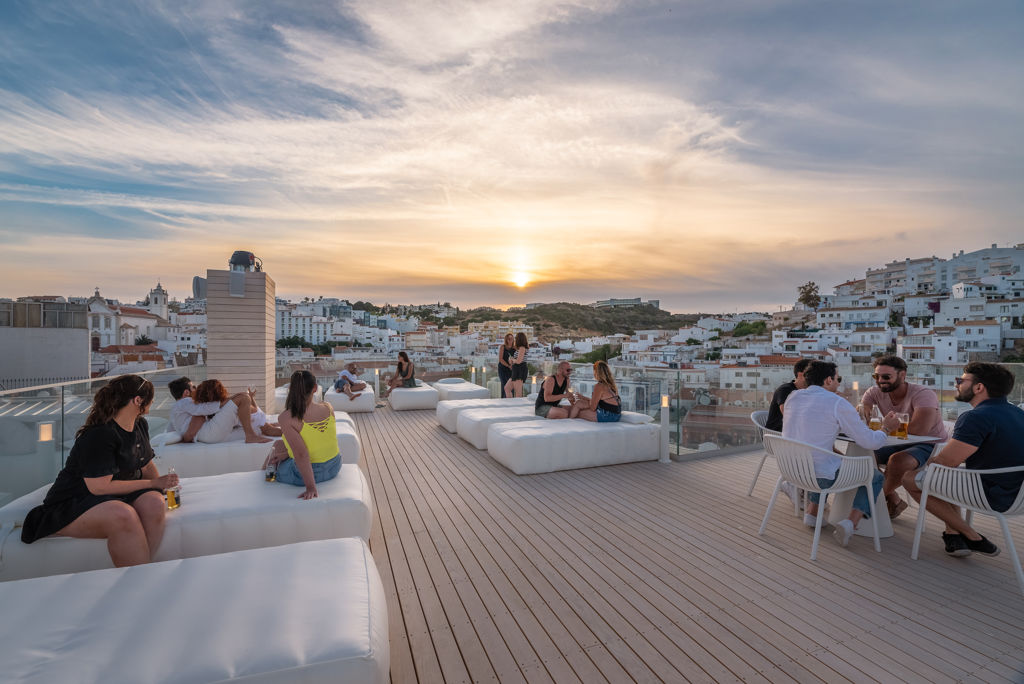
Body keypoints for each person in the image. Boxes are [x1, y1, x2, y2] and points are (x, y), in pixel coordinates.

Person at [20, 375, 179, 566]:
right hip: (76, 499)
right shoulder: (100, 435)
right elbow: (99, 487)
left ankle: (142, 567)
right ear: (138, 401)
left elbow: (145, 465)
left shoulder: (139, 425)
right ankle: (139, 579)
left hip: (115, 495)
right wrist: (153, 483)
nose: (151, 404)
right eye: (150, 400)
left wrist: (163, 487)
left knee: (154, 503)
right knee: (123, 515)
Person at [902, 362, 1024, 558]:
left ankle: (971, 535)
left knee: (911, 478)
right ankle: (953, 535)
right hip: (1018, 494)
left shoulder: (975, 417)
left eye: (960, 380)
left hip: (993, 495)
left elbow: (944, 463)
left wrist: (931, 463)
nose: (956, 385)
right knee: (944, 478)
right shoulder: (1019, 413)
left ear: (978, 387)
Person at [782, 361, 898, 547]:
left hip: (792, 471)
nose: (838, 383)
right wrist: (886, 428)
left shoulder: (793, 397)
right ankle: (851, 523)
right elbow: (870, 442)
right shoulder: (836, 402)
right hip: (819, 476)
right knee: (874, 476)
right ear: (828, 380)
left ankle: (812, 513)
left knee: (825, 459)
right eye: (838, 379)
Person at [861, 355, 948, 519]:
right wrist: (867, 411)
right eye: (876, 376)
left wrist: (885, 427)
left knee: (898, 460)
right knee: (864, 454)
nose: (880, 380)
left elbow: (920, 430)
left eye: (886, 376)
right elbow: (864, 411)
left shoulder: (923, 394)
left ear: (902, 375)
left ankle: (868, 504)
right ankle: (892, 498)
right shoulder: (876, 391)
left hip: (929, 444)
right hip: (898, 441)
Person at [264, 370, 341, 499]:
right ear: (315, 388)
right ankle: (275, 464)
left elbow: (301, 454)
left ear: (290, 389)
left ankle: (266, 478)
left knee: (276, 449)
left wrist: (310, 487)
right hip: (334, 465)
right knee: (279, 444)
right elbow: (318, 441)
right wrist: (287, 454)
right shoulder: (328, 407)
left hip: (311, 474)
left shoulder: (286, 417)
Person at [192, 379, 274, 443]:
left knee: (271, 428)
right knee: (271, 429)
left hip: (258, 417)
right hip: (258, 417)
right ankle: (250, 436)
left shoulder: (212, 407)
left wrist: (250, 397)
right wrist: (248, 397)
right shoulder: (220, 406)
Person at [765, 358, 810, 432]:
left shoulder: (807, 392)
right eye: (812, 374)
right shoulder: (785, 390)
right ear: (800, 375)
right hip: (776, 436)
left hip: (793, 433)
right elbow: (788, 415)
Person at [504, 332, 529, 398]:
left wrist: (512, 359)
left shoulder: (522, 348)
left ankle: (518, 406)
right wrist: (511, 360)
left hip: (519, 370)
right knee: (507, 388)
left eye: (516, 338)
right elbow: (517, 360)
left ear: (519, 339)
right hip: (516, 370)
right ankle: (511, 405)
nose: (515, 339)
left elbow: (519, 361)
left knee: (518, 393)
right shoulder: (520, 348)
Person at [497, 333, 515, 398]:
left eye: (512, 339)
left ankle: (510, 402)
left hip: (511, 370)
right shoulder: (503, 347)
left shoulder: (514, 348)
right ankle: (503, 401)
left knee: (511, 387)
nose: (511, 340)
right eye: (509, 339)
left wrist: (513, 365)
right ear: (506, 340)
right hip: (503, 369)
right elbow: (500, 359)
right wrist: (508, 365)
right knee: (504, 385)